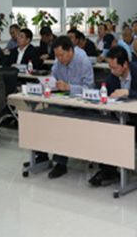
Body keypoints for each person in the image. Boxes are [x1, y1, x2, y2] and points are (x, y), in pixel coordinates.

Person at [88, 46, 137, 187]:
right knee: (105, 129)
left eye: (115, 68)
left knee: (116, 132)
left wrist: (128, 92)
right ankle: (108, 171)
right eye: (110, 68)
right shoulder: (113, 75)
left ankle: (111, 171)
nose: (112, 71)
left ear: (125, 64)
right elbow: (105, 91)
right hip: (120, 118)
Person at [41, 36, 95, 179]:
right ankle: (41, 156)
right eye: (57, 56)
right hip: (65, 101)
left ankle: (60, 163)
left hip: (83, 104)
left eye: (61, 55)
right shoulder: (58, 62)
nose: (59, 59)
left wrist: (69, 87)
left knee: (61, 120)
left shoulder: (83, 61)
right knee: (44, 116)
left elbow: (90, 88)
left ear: (70, 50)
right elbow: (52, 78)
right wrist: (49, 84)